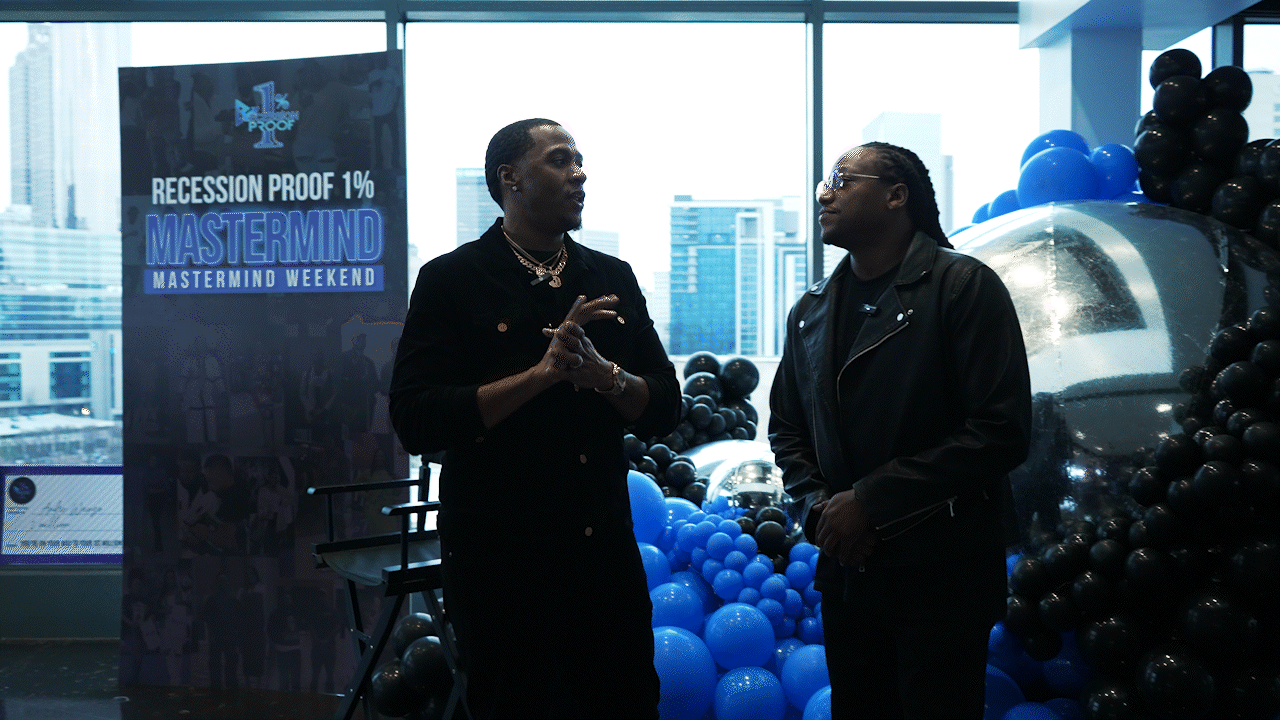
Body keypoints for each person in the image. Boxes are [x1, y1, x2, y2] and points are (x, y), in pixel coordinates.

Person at [389, 118, 679, 719]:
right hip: (500, 565)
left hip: (601, 557)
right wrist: (540, 376)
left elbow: (665, 408)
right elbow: (416, 420)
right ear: (510, 178)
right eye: (559, 160)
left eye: (578, 160)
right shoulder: (451, 280)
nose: (579, 172)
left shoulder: (610, 277)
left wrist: (606, 377)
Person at [769, 142, 1032, 719]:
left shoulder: (963, 286)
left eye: (842, 179)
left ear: (896, 195)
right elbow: (787, 428)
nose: (825, 192)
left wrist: (871, 502)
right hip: (849, 572)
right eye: (824, 182)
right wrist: (821, 510)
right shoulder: (811, 309)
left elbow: (1001, 429)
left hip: (943, 574)